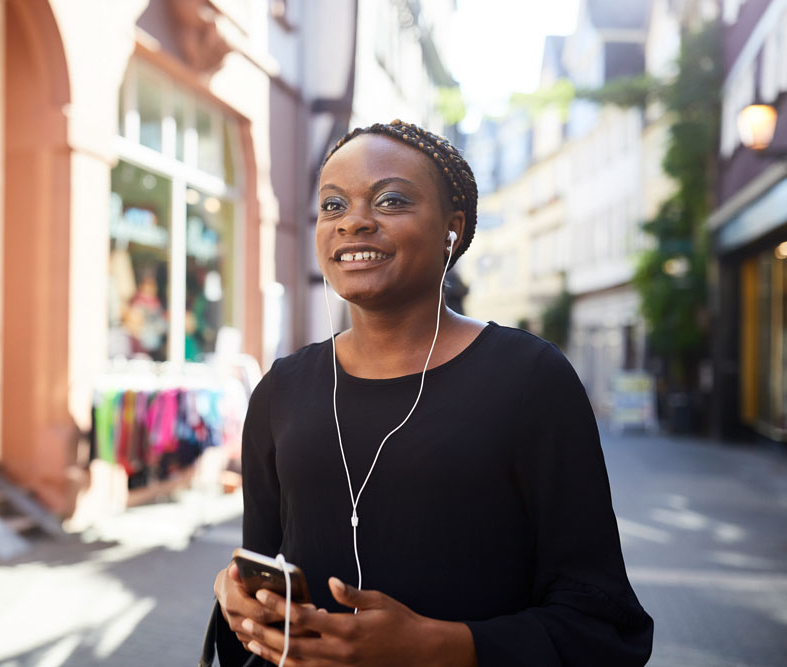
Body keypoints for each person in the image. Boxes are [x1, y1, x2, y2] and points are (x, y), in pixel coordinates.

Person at [212, 120, 653, 666]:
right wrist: (235, 596)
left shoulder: (530, 379)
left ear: (452, 228)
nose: (354, 222)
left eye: (391, 199)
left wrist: (438, 647)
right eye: (332, 205)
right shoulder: (282, 388)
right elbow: (261, 563)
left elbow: (601, 620)